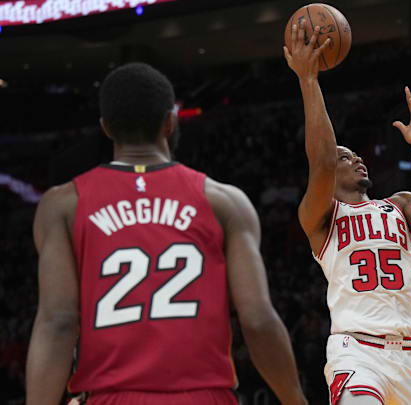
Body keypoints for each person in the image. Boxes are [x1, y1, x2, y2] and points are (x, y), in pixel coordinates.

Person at [25, 63, 307, 405]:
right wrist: (295, 400)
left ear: (106, 129)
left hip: (110, 397)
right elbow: (258, 320)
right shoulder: (225, 201)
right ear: (170, 122)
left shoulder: (62, 205)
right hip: (204, 396)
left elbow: (57, 322)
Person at [283, 23, 411, 405]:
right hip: (356, 350)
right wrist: (309, 81)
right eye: (347, 157)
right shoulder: (322, 217)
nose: (357, 159)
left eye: (358, 155)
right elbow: (322, 159)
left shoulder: (398, 204)